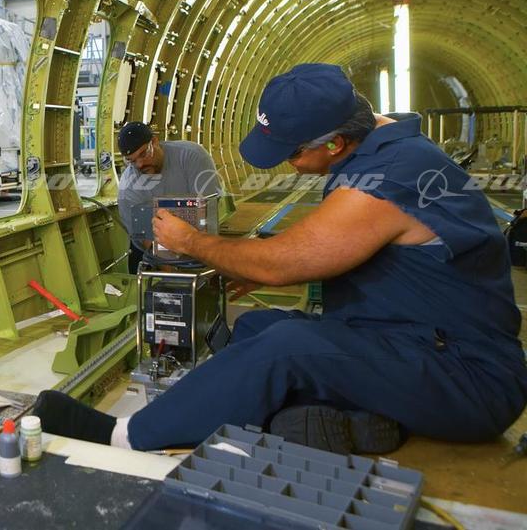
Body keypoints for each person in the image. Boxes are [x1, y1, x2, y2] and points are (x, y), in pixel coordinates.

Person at [35, 63, 527, 454]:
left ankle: (129, 434)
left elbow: (281, 262)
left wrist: (193, 243)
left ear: (334, 143)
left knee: (287, 345)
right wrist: (255, 266)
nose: (290, 166)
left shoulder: (390, 177)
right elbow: (361, 255)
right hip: (410, 338)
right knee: (255, 327)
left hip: (467, 380)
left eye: (291, 154)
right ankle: (353, 419)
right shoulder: (379, 153)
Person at [116, 121, 221, 273]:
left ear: (154, 141)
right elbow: (147, 239)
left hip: (197, 237)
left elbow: (207, 213)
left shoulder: (192, 156)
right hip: (154, 252)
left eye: (144, 154)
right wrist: (175, 276)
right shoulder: (128, 189)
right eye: (132, 161)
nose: (139, 164)